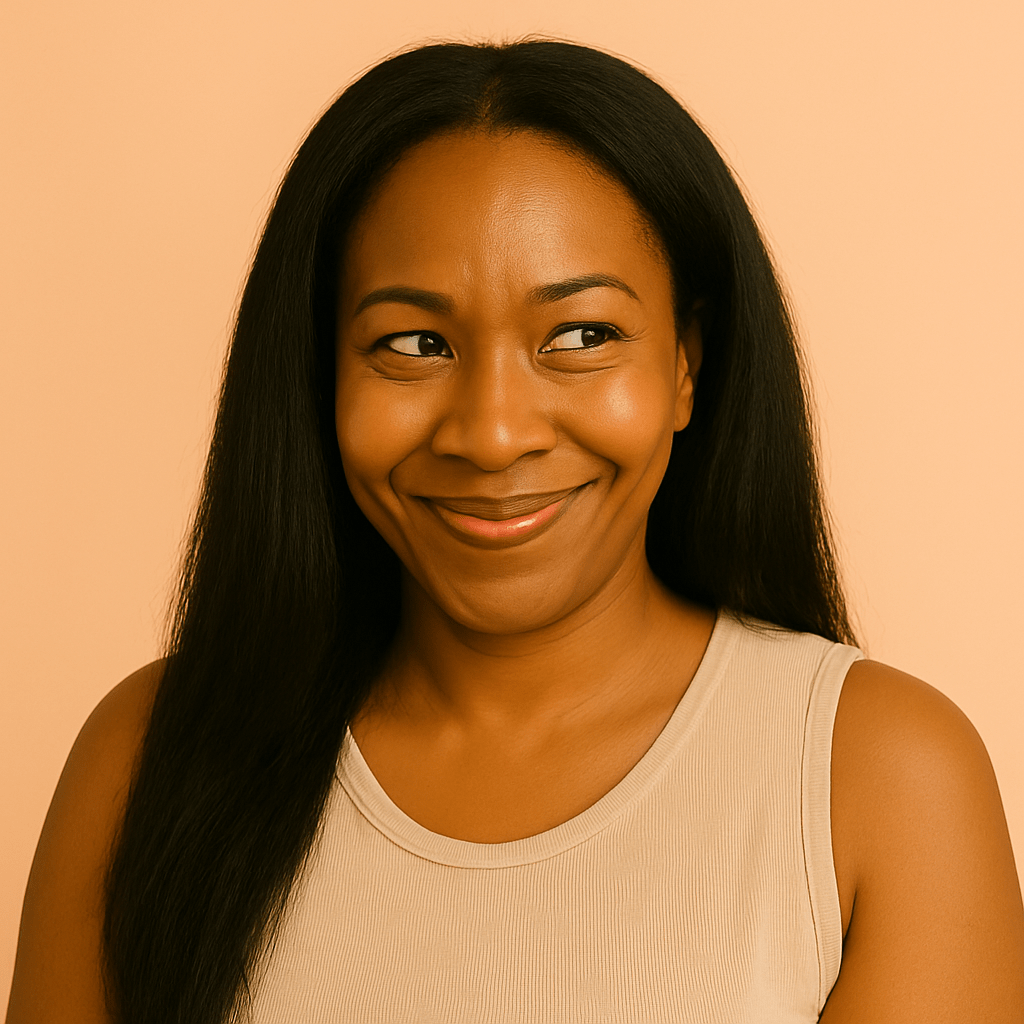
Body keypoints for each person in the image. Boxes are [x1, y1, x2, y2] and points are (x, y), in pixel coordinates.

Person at [6, 38, 1023, 1024]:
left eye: (581, 335)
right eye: (415, 343)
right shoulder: (143, 760)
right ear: (319, 376)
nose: (492, 434)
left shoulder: (880, 779)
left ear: (686, 363)